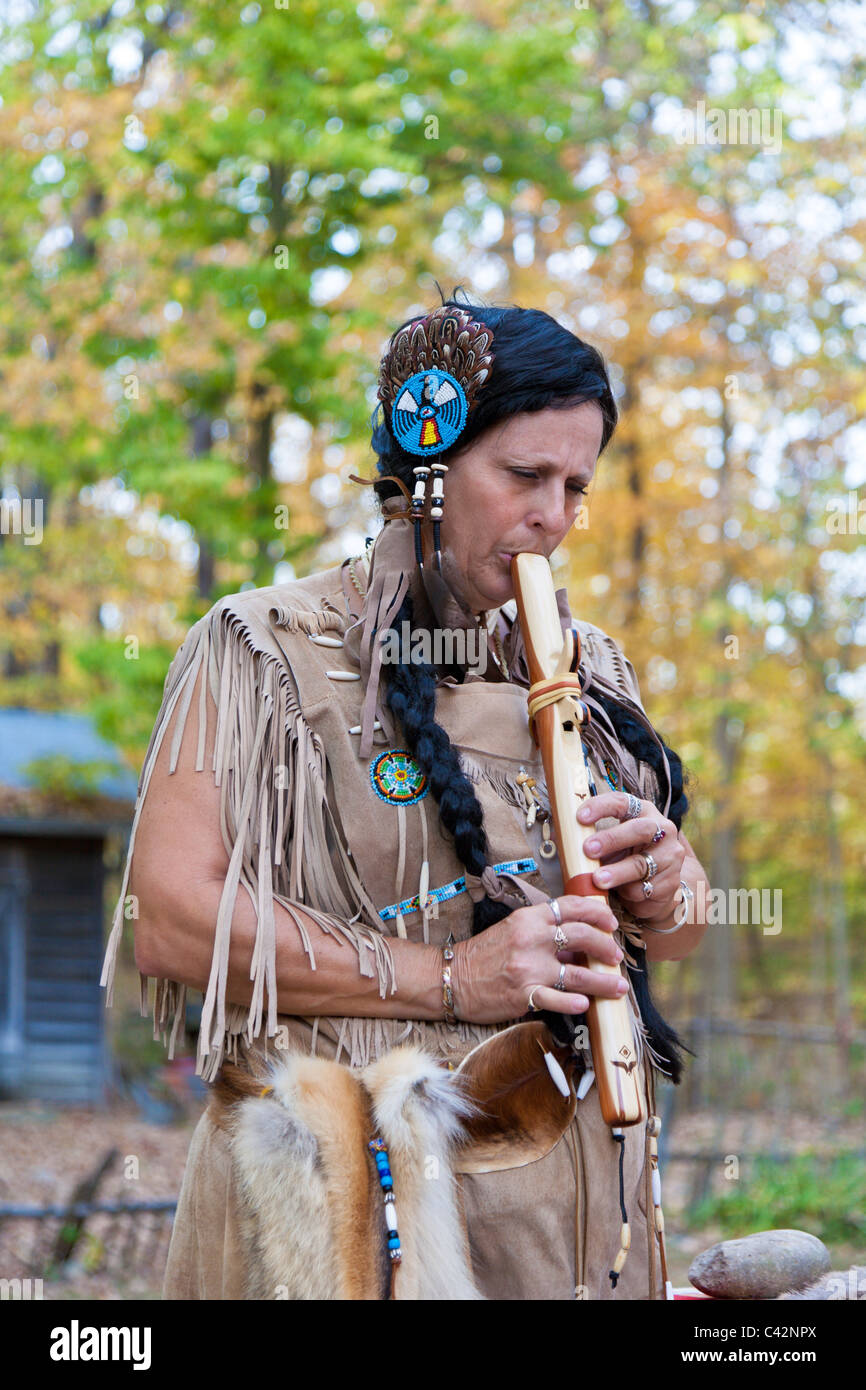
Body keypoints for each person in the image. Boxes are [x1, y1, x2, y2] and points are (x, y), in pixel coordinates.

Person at [101, 291, 710, 1300]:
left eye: (574, 488)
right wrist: (450, 980)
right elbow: (169, 920)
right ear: (424, 471)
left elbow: (677, 937)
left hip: (566, 1210)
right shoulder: (258, 646)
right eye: (523, 475)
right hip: (334, 1216)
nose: (551, 519)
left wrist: (667, 880)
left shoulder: (590, 667)